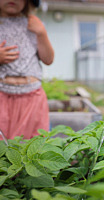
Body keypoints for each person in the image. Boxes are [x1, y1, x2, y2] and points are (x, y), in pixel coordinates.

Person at [0, 0, 54, 140]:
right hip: (2, 96)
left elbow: (48, 59)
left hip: (32, 97)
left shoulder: (34, 24)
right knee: (3, 150)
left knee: (31, 146)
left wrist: (42, 33)